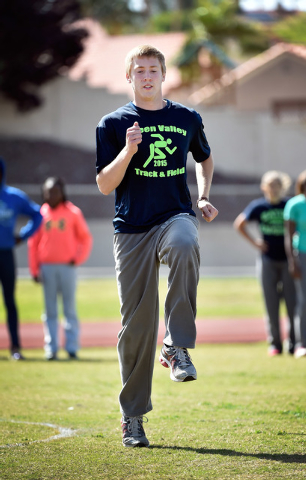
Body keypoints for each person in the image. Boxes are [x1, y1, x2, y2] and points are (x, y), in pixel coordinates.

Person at [96, 45, 218, 448]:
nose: (147, 76)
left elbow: (205, 158)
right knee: (136, 327)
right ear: (129, 76)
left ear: (163, 74)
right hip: (130, 230)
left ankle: (177, 344)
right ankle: (132, 417)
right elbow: (104, 185)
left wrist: (202, 196)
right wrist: (128, 150)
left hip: (173, 216)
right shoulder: (112, 124)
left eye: (153, 70)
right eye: (139, 70)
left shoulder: (186, 118)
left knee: (186, 241)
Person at [28, 177, 92, 360]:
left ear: (62, 192)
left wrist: (77, 258)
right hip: (47, 268)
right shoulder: (40, 214)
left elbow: (85, 238)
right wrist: (34, 270)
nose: (51, 195)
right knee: (50, 310)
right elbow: (33, 243)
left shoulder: (73, 212)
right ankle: (51, 348)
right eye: (47, 192)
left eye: (54, 191)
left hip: (68, 267)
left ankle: (71, 347)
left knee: (69, 308)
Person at [233, 171, 296, 356]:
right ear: (264, 187)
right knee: (271, 303)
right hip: (267, 259)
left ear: (283, 187)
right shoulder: (259, 206)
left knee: (293, 303)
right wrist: (255, 243)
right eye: (270, 185)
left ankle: (295, 343)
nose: (273, 188)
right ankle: (275, 344)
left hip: (288, 259)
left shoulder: (288, 205)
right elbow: (239, 224)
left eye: (277, 185)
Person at [0, 156, 42, 360]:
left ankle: (15, 347)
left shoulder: (13, 197)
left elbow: (38, 215)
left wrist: (23, 235)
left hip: (5, 254)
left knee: (9, 300)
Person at [284, 170, 306, 359]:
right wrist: (292, 261)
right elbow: (288, 236)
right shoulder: (295, 204)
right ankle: (301, 343)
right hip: (303, 254)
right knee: (303, 301)